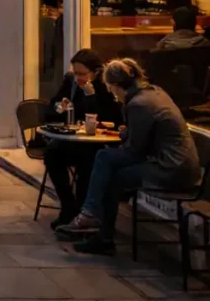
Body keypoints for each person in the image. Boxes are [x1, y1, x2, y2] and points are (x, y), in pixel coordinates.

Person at [58, 58, 201, 254]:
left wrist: (125, 134)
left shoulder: (138, 104)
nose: (111, 93)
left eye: (110, 88)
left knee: (105, 160)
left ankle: (93, 220)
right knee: (109, 167)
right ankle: (99, 231)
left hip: (170, 169)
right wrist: (128, 132)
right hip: (182, 166)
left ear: (117, 86)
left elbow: (135, 149)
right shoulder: (155, 93)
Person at [43, 50, 121, 228]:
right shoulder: (70, 82)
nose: (78, 77)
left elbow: (109, 116)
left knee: (88, 161)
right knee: (52, 154)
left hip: (98, 143)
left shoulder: (105, 86)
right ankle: (68, 206)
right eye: (75, 73)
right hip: (73, 139)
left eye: (82, 74)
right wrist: (59, 108)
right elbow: (51, 109)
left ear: (95, 72)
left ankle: (82, 210)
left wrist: (90, 96)